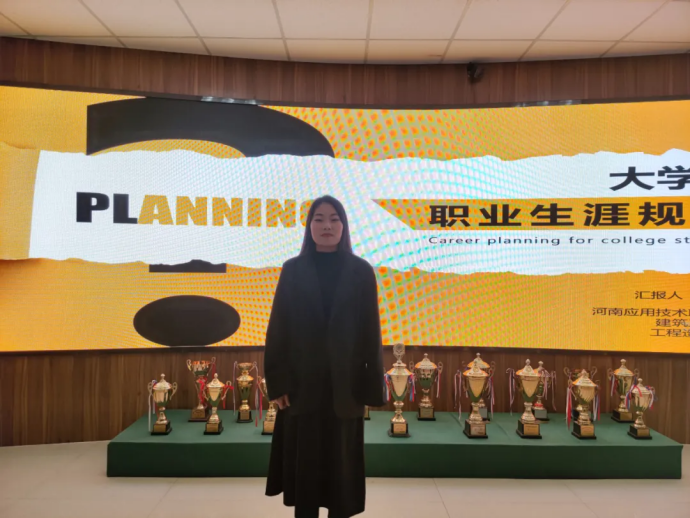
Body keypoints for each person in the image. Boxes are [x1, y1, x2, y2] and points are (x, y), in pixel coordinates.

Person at [264, 195, 386, 518]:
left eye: (334, 218)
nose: (327, 225)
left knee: (341, 483)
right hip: (301, 390)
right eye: (318, 219)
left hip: (345, 391)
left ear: (344, 226)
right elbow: (277, 330)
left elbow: (371, 334)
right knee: (305, 480)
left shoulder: (361, 272)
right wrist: (277, 384)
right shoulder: (292, 270)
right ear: (309, 227)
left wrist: (370, 389)